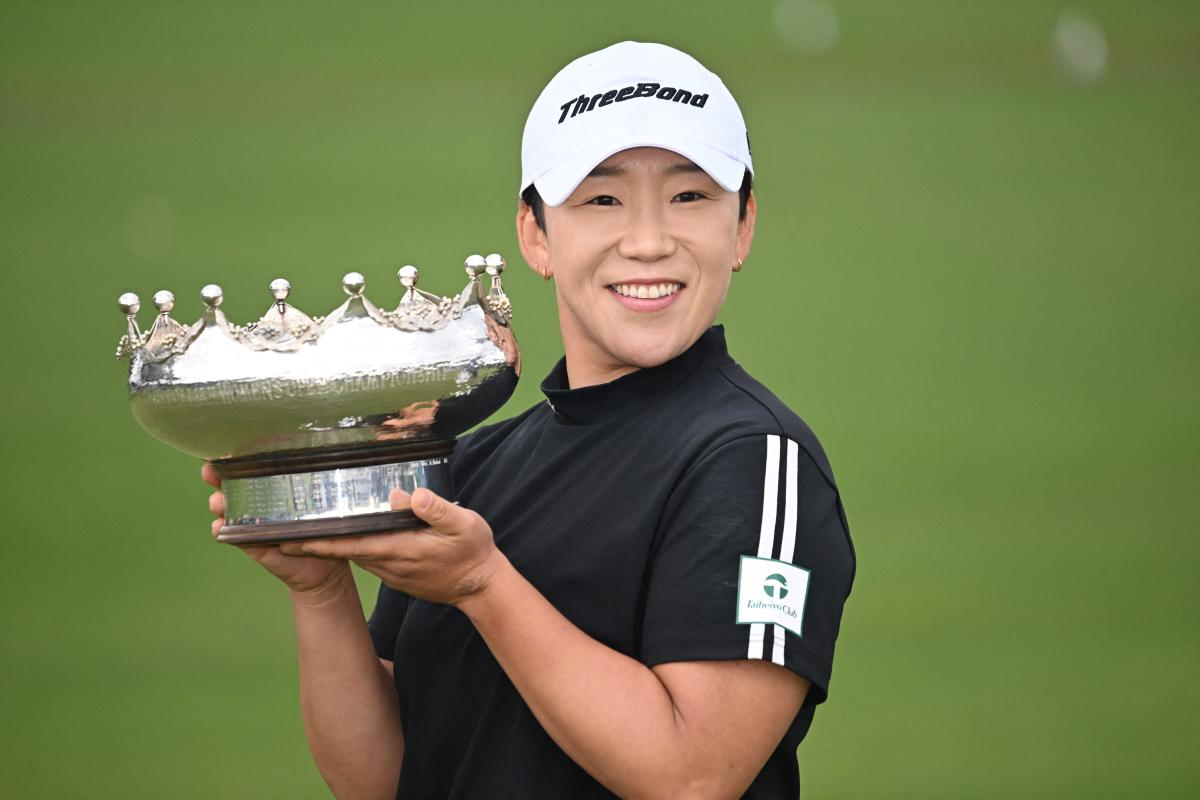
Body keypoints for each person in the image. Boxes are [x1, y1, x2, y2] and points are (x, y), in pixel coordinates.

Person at [203, 41, 855, 799]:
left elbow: (694, 777)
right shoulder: (473, 466)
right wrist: (319, 590)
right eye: (602, 200)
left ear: (741, 228)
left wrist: (483, 583)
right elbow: (382, 779)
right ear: (536, 236)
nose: (648, 241)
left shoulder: (753, 461)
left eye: (689, 197)